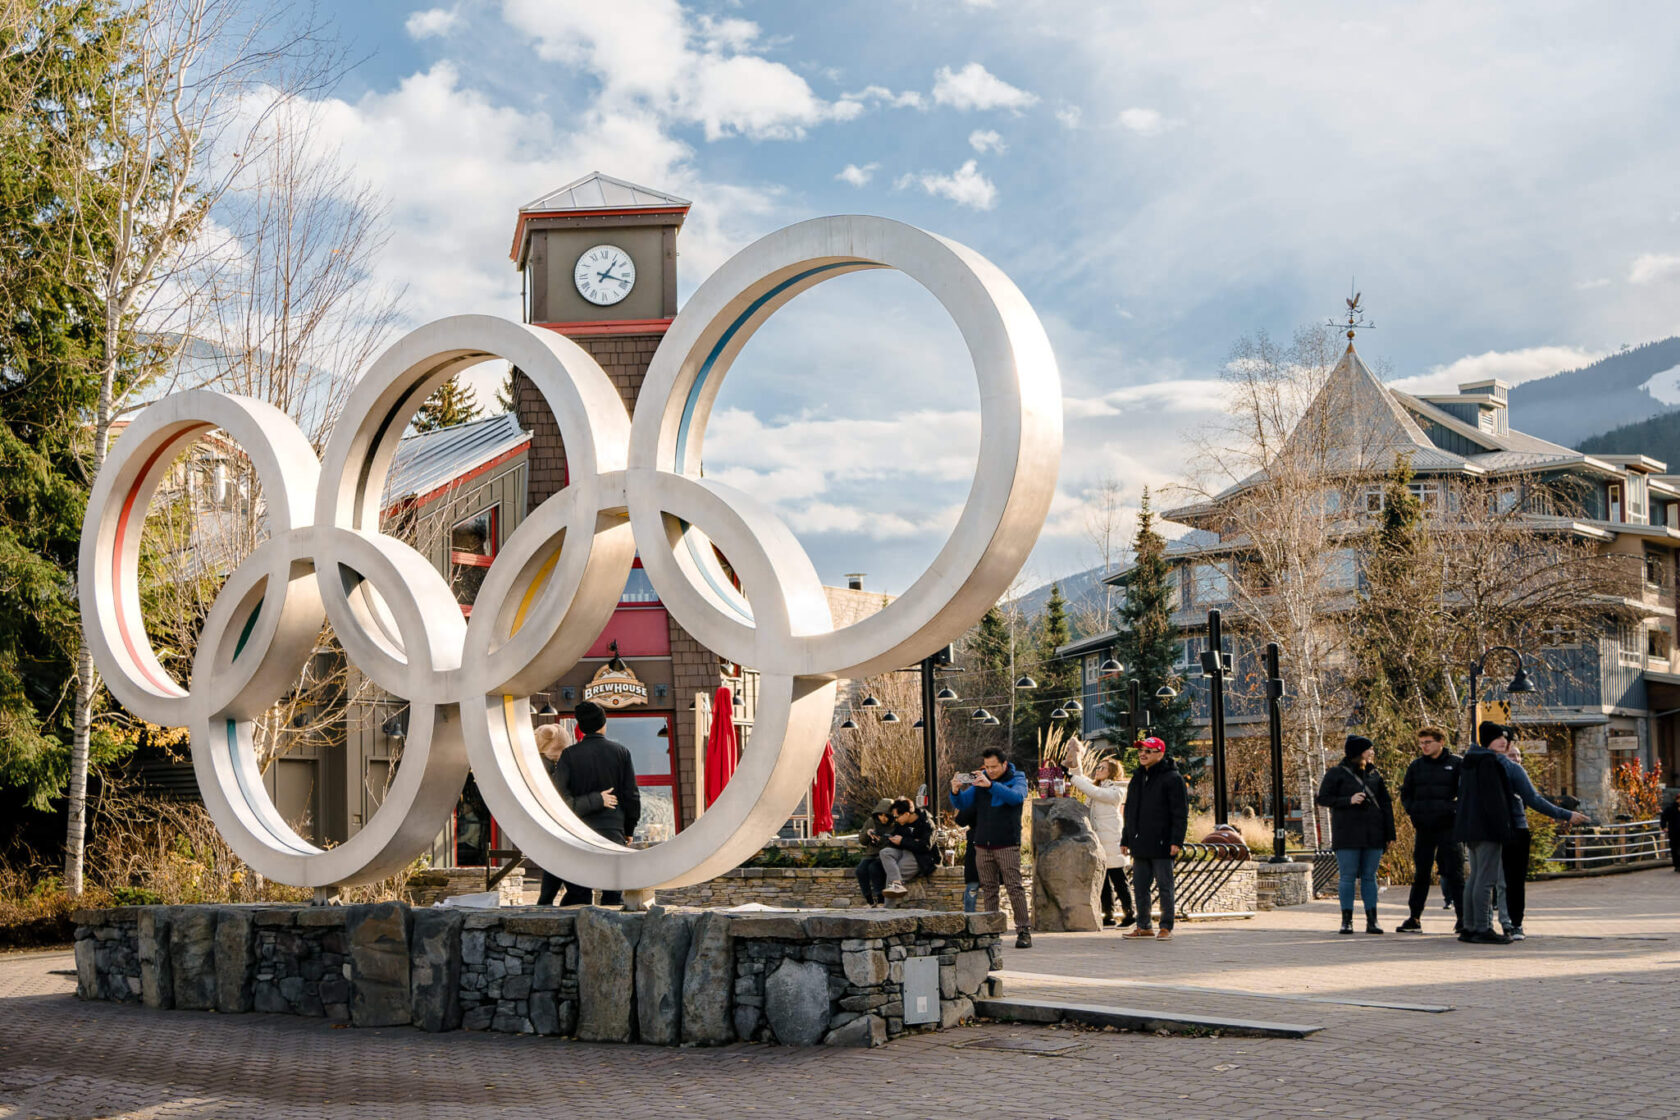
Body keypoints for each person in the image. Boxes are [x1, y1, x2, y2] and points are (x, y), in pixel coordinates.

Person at [1486, 727, 1587, 939]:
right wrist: (1566, 814)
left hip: (1510, 828)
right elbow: (1534, 800)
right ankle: (1488, 923)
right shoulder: (1493, 768)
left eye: (1517, 755)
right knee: (1491, 879)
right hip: (1499, 829)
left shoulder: (1503, 769)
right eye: (1510, 754)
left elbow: (1533, 800)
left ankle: (1511, 923)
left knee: (1508, 881)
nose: (1515, 758)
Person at [551, 700, 641, 906]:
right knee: (612, 896)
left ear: (580, 728)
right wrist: (629, 829)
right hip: (612, 831)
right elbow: (632, 796)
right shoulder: (621, 753)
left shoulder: (569, 755)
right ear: (603, 724)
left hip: (578, 833)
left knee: (580, 895)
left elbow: (558, 801)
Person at [950, 747, 1034, 948]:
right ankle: (991, 931)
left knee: (1014, 887)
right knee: (988, 889)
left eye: (994, 766)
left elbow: (1016, 798)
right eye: (987, 767)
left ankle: (1023, 931)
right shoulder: (980, 781)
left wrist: (991, 785)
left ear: (1004, 764)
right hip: (982, 843)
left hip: (1006, 842)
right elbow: (963, 803)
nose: (990, 770)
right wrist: (955, 790)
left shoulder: (1018, 778)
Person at [1315, 735, 1396, 935]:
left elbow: (1386, 805)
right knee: (1347, 877)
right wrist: (1348, 800)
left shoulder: (1374, 775)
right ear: (1359, 752)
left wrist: (1390, 833)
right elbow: (1323, 798)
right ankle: (1346, 921)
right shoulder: (1336, 773)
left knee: (1370, 876)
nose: (1372, 753)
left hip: (1373, 834)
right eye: (1369, 749)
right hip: (1347, 834)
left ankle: (1372, 920)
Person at [1455, 721, 1519, 943]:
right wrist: (1504, 829)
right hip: (1488, 828)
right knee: (1486, 879)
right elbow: (1495, 801)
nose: (1503, 741)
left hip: (1471, 827)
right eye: (1497, 738)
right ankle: (1482, 927)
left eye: (1504, 738)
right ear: (1487, 740)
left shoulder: (1471, 761)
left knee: (1475, 877)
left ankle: (1470, 926)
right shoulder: (1489, 763)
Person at [1397, 726, 1464, 934]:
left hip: (1449, 828)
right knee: (1421, 874)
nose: (1424, 747)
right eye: (1421, 743)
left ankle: (1463, 918)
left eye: (1428, 742)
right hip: (1424, 828)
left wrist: (1450, 810)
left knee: (1455, 873)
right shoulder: (1416, 766)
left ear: (1440, 742)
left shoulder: (1456, 764)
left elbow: (1465, 794)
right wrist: (1414, 811)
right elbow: (1406, 793)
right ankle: (1414, 917)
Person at [1121, 736, 1187, 941]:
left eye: (1148, 751)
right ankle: (1144, 926)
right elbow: (1130, 811)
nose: (1142, 754)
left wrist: (1176, 840)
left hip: (1163, 843)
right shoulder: (1137, 778)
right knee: (1140, 887)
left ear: (1160, 753)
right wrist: (1126, 838)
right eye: (1141, 750)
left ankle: (1166, 927)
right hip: (1140, 843)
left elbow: (1180, 813)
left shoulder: (1173, 778)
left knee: (1165, 886)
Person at [1066, 738, 1136, 928]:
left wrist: (1073, 778)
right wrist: (1076, 760)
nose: (1098, 770)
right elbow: (1083, 779)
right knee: (1103, 879)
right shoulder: (1098, 787)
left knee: (1118, 878)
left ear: (1112, 772)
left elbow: (1092, 791)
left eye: (1102, 768)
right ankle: (1108, 913)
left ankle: (1130, 913)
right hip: (1099, 839)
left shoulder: (1117, 790)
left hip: (1112, 838)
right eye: (1098, 767)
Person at [534, 722, 574, 906]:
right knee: (573, 883)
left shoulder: (538, 763)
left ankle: (545, 903)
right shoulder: (550, 768)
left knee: (556, 864)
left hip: (546, 827)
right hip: (556, 824)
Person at [879, 798, 935, 898]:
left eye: (897, 817)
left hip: (920, 857)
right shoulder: (901, 823)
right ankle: (897, 885)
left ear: (906, 814)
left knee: (894, 873)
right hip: (904, 851)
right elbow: (897, 840)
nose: (895, 819)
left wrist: (903, 841)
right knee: (885, 852)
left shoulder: (926, 823)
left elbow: (925, 846)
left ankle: (889, 909)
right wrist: (892, 840)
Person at [854, 799, 895, 906]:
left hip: (885, 854)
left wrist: (880, 840)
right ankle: (869, 900)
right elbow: (862, 841)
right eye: (881, 815)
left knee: (874, 868)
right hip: (871, 853)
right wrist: (867, 834)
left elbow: (892, 844)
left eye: (886, 815)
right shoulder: (871, 821)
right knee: (860, 870)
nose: (883, 818)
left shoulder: (894, 825)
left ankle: (881, 899)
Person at [955, 806, 981, 912]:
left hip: (983, 841)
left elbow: (960, 820)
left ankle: (970, 919)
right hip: (978, 842)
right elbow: (961, 820)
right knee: (973, 886)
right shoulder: (974, 798)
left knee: (975, 887)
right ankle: (970, 919)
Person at [1661, 793, 1680, 873]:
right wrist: (1664, 827)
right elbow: (1664, 817)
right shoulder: (1670, 808)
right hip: (1674, 832)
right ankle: (1677, 865)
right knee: (1674, 849)